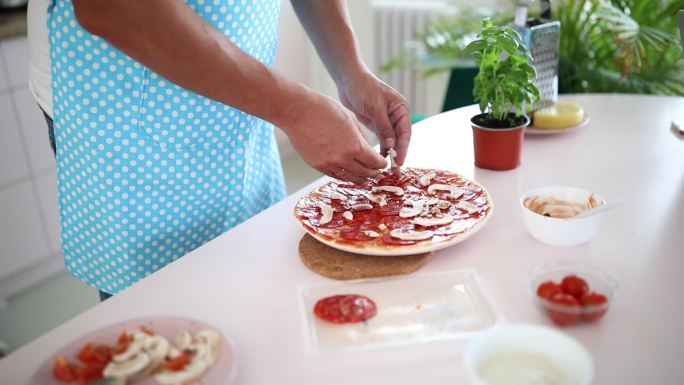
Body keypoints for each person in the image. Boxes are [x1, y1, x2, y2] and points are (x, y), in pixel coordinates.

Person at [27, 0, 411, 299]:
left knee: (252, 284)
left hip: (245, 100)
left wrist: (350, 70)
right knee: (161, 328)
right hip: (128, 116)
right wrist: (293, 109)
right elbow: (112, 8)